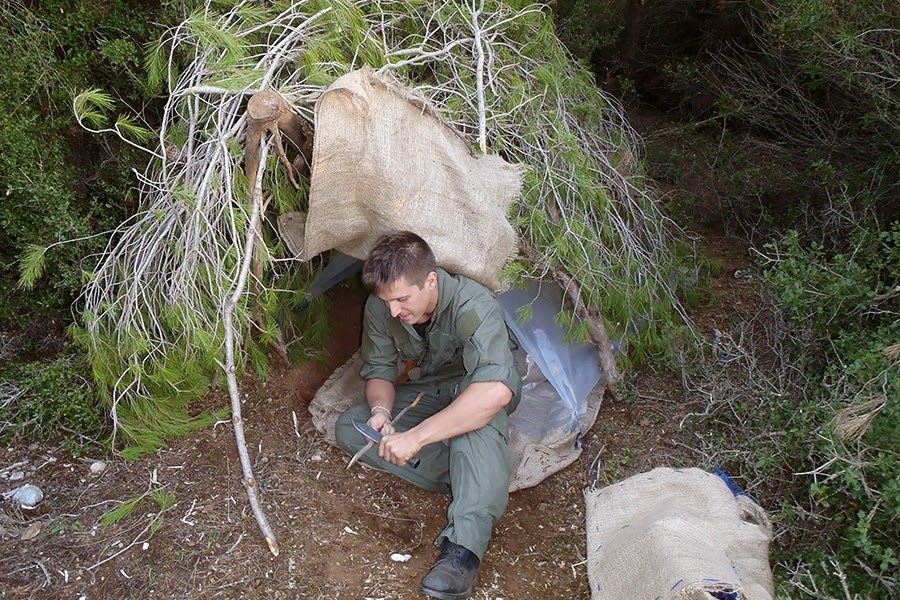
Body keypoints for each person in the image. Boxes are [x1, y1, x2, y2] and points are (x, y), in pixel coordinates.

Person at [335, 230, 522, 600]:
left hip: (474, 390)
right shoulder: (383, 306)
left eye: (402, 299)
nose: (393, 311)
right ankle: (473, 477)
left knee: (475, 425)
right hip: (429, 390)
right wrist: (381, 412)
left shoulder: (473, 304)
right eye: (386, 301)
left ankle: (462, 552)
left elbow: (495, 391)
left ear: (430, 281)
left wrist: (415, 437)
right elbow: (379, 371)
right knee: (349, 428)